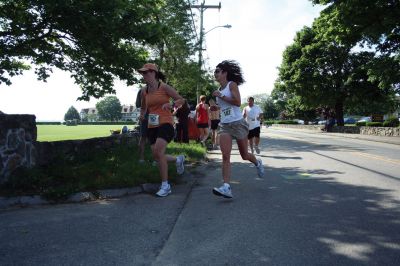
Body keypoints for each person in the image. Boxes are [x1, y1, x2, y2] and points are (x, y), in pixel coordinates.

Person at [211, 60, 264, 198]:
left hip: (238, 124)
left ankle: (257, 162)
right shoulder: (219, 91)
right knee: (225, 156)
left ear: (224, 73)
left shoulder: (231, 85)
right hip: (225, 126)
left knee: (244, 155)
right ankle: (226, 187)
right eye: (214, 71)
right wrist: (215, 107)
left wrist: (221, 96)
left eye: (217, 71)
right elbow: (224, 107)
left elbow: (237, 102)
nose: (215, 73)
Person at [138, 63, 186, 197]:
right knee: (156, 156)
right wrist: (142, 115)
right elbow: (143, 107)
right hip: (152, 125)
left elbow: (181, 100)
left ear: (153, 73)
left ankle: (165, 185)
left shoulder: (163, 87)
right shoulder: (144, 91)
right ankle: (178, 160)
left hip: (166, 122)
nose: (143, 75)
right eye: (142, 73)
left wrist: (171, 104)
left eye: (146, 73)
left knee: (159, 152)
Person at [135, 85, 148, 163]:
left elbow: (137, 104)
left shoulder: (141, 90)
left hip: (144, 116)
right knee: (155, 138)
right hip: (154, 116)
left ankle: (141, 158)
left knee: (142, 138)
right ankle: (156, 159)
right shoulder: (158, 89)